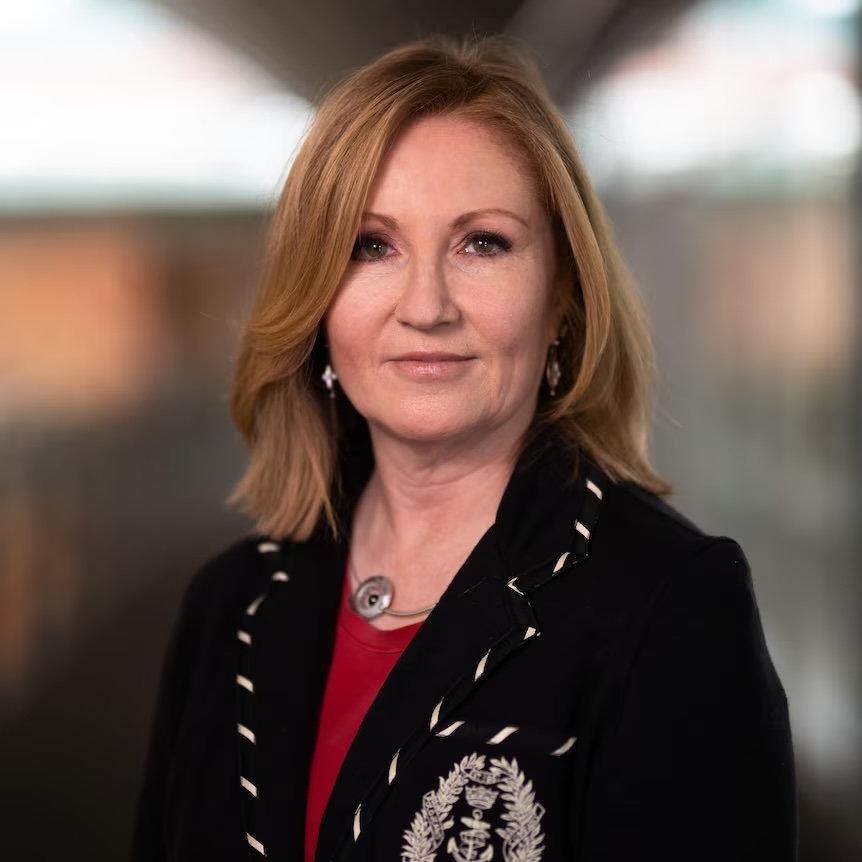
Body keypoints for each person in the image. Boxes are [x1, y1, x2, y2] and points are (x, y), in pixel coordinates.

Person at [132, 36, 797, 862]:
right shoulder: (229, 603)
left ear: (561, 296)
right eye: (370, 246)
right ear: (316, 300)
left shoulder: (671, 604)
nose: (426, 304)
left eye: (482, 242)